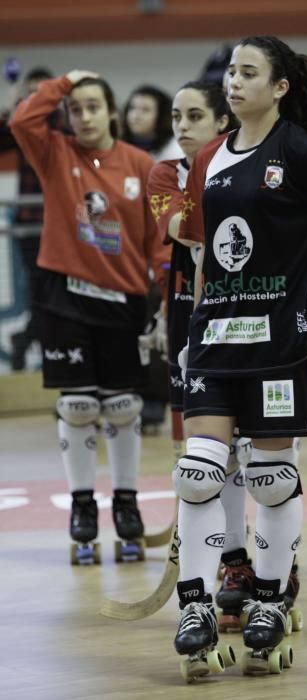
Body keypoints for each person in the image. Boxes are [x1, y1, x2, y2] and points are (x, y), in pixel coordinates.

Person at [170, 35, 307, 672]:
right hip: (215, 336)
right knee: (200, 471)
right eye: (232, 73)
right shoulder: (209, 157)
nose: (235, 83)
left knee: (269, 479)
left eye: (250, 73)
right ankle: (194, 605)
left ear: (279, 87)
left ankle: (269, 599)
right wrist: (192, 326)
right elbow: (210, 252)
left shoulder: (300, 152)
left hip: (279, 342)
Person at [9, 70, 164, 561]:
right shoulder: (56, 153)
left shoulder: (140, 164)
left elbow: (156, 241)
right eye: (76, 110)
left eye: (94, 106)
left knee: (122, 407)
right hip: (64, 295)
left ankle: (125, 503)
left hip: (122, 297)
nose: (85, 116)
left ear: (112, 111)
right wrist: (63, 83)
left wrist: (161, 298)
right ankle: (81, 506)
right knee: (77, 406)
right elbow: (21, 120)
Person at [145, 80, 258, 630]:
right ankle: (219, 562)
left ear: (222, 124)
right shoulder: (167, 172)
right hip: (189, 315)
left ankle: (248, 565)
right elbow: (174, 226)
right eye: (176, 116)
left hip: (246, 316)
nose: (182, 126)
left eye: (195, 116)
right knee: (203, 457)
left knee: (252, 456)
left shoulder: (244, 165)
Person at [121, 85, 183, 432]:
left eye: (146, 109)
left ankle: (157, 400)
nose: (137, 115)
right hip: (125, 250)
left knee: (159, 326)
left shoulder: (172, 152)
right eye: (133, 108)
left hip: (163, 248)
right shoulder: (118, 151)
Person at [0, 67, 58, 370]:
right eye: (33, 92)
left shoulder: (64, 125)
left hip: (62, 225)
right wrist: (13, 108)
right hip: (30, 223)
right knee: (40, 291)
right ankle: (30, 342)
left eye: (44, 93)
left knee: (51, 292)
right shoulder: (21, 126)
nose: (38, 99)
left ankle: (25, 339)